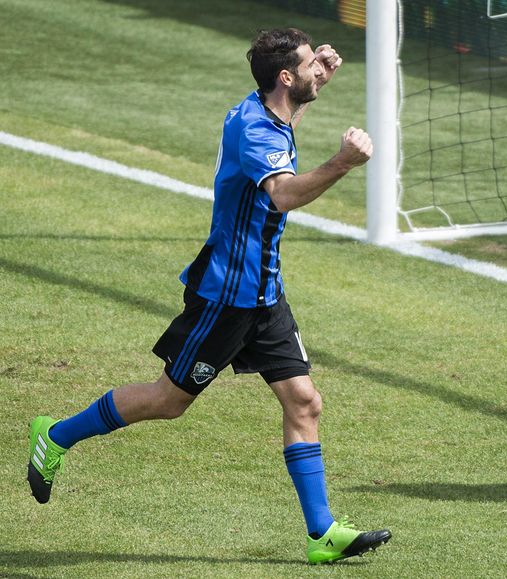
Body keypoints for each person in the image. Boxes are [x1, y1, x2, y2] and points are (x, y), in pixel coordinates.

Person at [26, 27, 391, 564]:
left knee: (304, 401)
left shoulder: (265, 110)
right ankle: (55, 435)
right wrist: (342, 162)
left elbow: (283, 128)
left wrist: (317, 84)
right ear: (284, 77)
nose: (318, 67)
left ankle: (322, 533)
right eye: (308, 65)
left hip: (265, 293)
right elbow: (283, 195)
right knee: (168, 401)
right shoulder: (255, 129)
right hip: (227, 296)